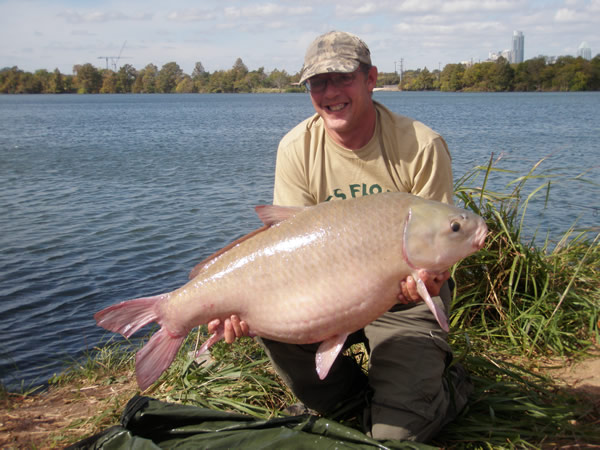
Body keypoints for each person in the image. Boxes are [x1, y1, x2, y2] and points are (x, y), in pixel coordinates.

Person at [209, 30, 472, 442]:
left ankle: (448, 388)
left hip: (407, 302)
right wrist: (246, 307)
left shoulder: (421, 145)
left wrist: (427, 279)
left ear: (371, 79)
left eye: (342, 78)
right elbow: (287, 247)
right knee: (272, 322)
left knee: (392, 439)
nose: (330, 92)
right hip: (329, 295)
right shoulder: (296, 148)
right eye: (317, 82)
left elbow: (440, 249)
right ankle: (349, 398)